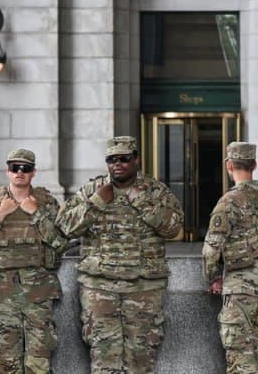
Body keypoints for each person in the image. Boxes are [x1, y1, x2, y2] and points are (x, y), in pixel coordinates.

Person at [57, 136, 183, 374]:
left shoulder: (154, 191)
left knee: (142, 358)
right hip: (100, 287)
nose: (118, 164)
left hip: (143, 288)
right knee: (104, 359)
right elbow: (65, 226)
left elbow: (174, 229)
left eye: (124, 159)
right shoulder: (93, 190)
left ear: (136, 160)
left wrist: (143, 202)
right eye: (112, 159)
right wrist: (96, 202)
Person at [0, 148, 69, 373]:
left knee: (39, 361)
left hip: (39, 293)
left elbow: (61, 243)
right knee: (6, 362)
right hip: (3, 294)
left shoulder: (47, 203)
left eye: (25, 168)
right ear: (8, 171)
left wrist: (36, 214)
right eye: (15, 168)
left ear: (34, 172)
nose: (20, 172)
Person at [202, 141, 258, 374]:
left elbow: (211, 248)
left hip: (240, 287)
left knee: (240, 357)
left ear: (229, 165)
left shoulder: (230, 200)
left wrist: (213, 277)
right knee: (251, 351)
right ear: (254, 165)